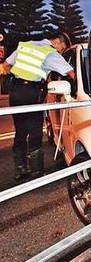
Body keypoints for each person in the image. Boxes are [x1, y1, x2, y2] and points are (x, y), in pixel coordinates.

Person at [0, 31, 75, 180]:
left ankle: (20, 170)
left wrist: (16, 79)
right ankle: (37, 173)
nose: (61, 51)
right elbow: (71, 73)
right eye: (63, 48)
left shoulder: (25, 46)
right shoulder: (50, 53)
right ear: (58, 42)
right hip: (32, 91)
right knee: (35, 131)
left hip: (16, 92)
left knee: (20, 131)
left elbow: (6, 65)